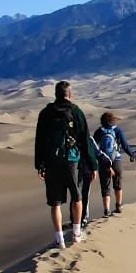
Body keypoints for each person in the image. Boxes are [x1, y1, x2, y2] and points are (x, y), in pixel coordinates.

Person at [34, 80, 98, 248]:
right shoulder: (76, 112)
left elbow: (39, 141)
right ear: (69, 94)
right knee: (76, 196)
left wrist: (39, 164)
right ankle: (76, 233)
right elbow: (85, 140)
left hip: (51, 161)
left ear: (56, 94)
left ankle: (59, 238)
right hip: (71, 160)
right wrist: (92, 165)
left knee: (54, 202)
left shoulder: (46, 113)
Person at [93, 111, 136, 217]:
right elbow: (125, 146)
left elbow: (94, 146)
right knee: (117, 184)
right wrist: (133, 154)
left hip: (104, 160)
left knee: (105, 186)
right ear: (112, 120)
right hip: (116, 159)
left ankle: (106, 210)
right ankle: (118, 206)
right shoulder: (117, 130)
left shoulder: (99, 131)